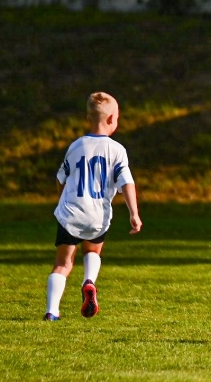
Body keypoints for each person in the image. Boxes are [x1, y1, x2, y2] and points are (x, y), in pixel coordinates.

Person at [46, 92, 142, 321]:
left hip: (71, 213)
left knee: (63, 263)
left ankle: (52, 311)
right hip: (97, 216)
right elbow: (127, 182)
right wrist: (134, 213)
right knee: (92, 250)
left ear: (88, 119)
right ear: (111, 120)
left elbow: (60, 178)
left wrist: (63, 200)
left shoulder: (76, 146)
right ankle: (89, 281)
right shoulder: (117, 150)